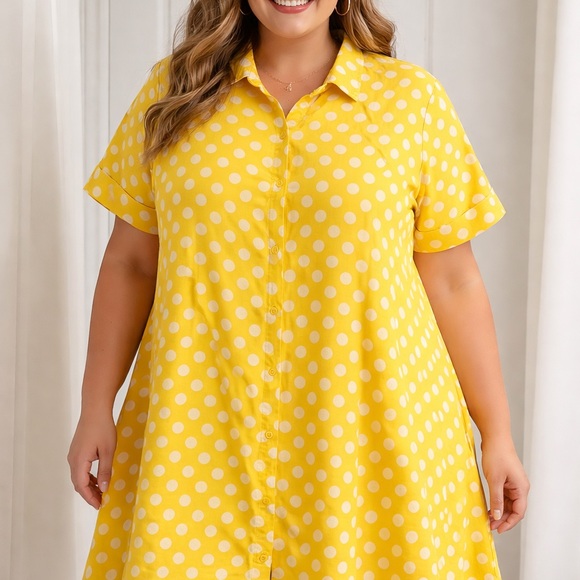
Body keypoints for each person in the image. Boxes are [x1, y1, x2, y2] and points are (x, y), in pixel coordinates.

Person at [68, 0, 530, 578]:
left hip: (372, 432)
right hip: (198, 428)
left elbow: (455, 280)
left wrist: (497, 434)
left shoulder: (411, 102)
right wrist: (95, 407)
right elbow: (132, 263)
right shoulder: (173, 94)